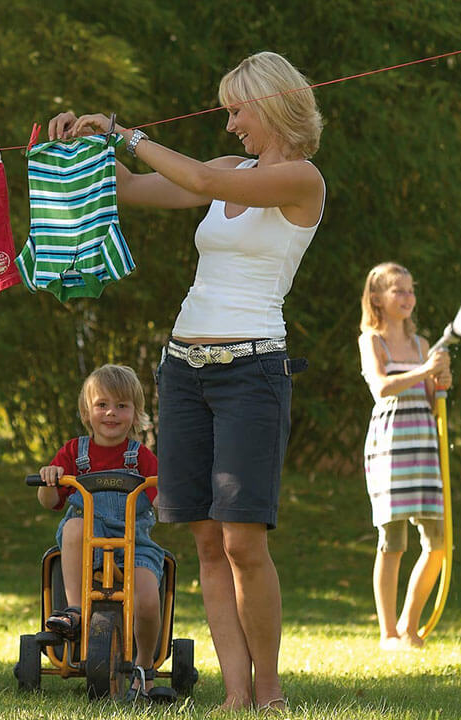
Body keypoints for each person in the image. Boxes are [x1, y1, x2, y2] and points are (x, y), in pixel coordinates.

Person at [48, 51, 325, 712]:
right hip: (183, 374)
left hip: (252, 373)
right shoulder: (230, 171)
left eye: (237, 110)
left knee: (242, 541)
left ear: (272, 103)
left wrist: (132, 134)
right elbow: (130, 187)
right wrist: (80, 147)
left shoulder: (302, 180)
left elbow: (196, 176)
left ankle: (270, 691)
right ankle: (235, 695)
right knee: (205, 539)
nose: (231, 125)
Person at [36, 364, 169, 702]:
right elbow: (48, 500)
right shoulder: (73, 453)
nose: (111, 413)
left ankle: (144, 667)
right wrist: (51, 477)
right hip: (87, 540)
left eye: (122, 406)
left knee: (148, 598)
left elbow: (163, 499)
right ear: (87, 411)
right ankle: (75, 611)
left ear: (135, 414)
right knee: (74, 524)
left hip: (133, 541)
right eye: (102, 405)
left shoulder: (141, 457)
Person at [357, 262, 453, 650]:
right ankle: (388, 634)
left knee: (438, 542)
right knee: (392, 541)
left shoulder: (422, 345)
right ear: (377, 298)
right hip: (391, 447)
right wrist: (425, 371)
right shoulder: (371, 341)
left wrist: (440, 381)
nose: (408, 297)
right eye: (399, 290)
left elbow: (431, 401)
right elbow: (381, 388)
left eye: (411, 290)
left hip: (424, 445)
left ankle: (409, 627)